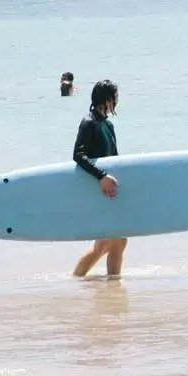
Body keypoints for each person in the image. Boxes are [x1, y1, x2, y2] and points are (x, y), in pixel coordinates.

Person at [71, 79, 126, 279]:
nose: (117, 101)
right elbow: (78, 155)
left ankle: (113, 284)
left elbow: (115, 158)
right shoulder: (89, 123)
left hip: (110, 192)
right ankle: (76, 278)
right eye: (115, 97)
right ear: (107, 99)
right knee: (104, 244)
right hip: (96, 189)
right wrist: (101, 177)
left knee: (119, 241)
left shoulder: (108, 125)